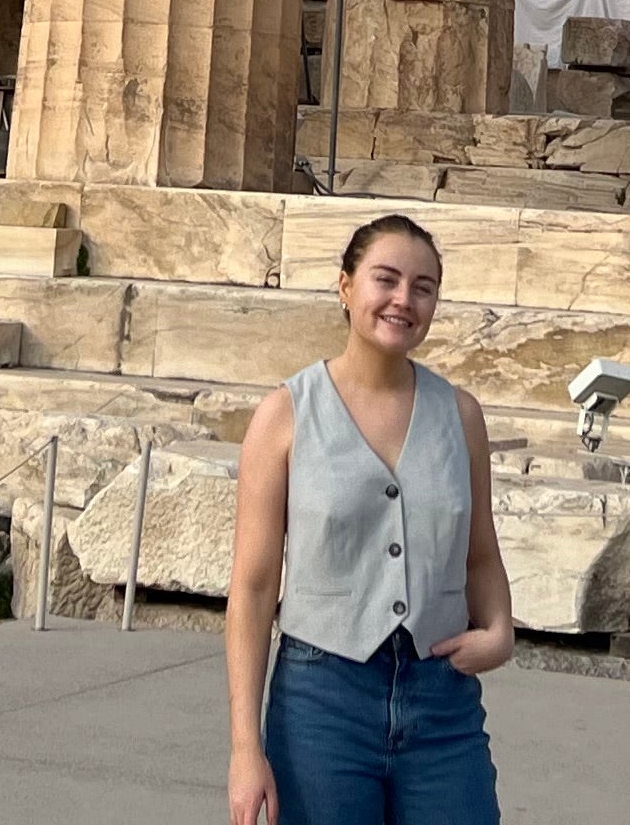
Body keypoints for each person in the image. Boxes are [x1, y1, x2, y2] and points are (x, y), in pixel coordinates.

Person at [226, 213, 511, 822]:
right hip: (321, 703)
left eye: (424, 287)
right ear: (346, 286)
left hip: (443, 702)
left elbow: (480, 551)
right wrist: (246, 749)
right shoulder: (285, 414)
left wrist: (500, 628)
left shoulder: (461, 416)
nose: (403, 300)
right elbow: (251, 589)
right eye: (386, 279)